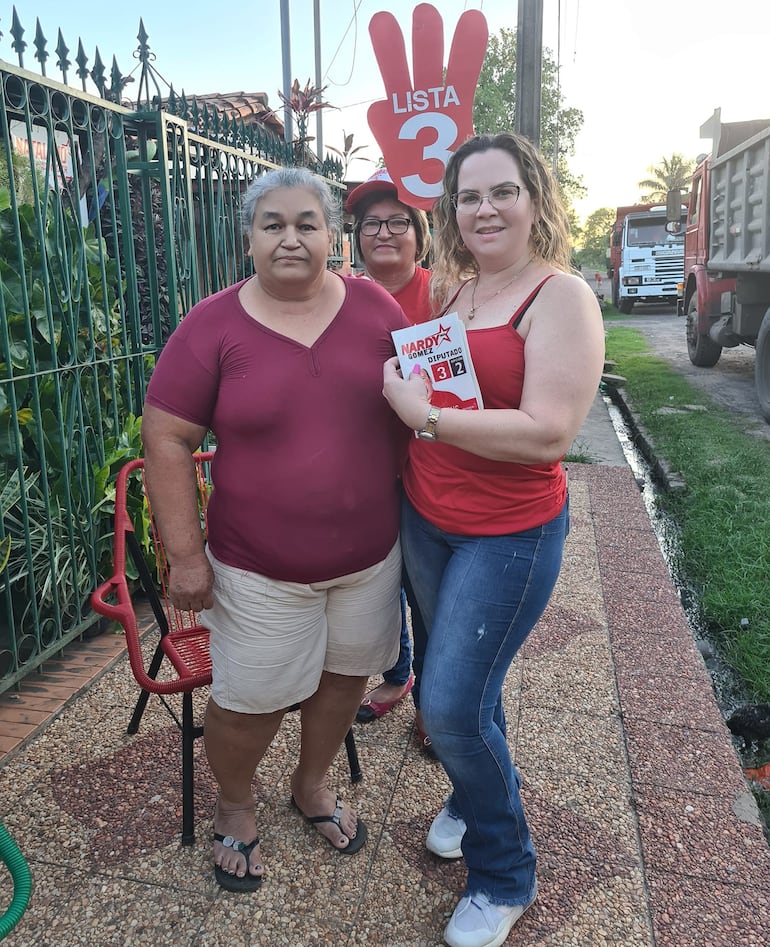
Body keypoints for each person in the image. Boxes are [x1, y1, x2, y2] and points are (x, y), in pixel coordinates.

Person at [141, 167, 410, 893]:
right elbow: (166, 437)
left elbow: (429, 397)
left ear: (333, 237)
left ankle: (311, 783)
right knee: (248, 702)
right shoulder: (212, 325)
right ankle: (236, 802)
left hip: (368, 559)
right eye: (273, 225)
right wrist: (185, 554)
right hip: (257, 569)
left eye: (306, 224)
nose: (290, 238)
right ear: (249, 240)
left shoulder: (376, 307)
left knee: (344, 680)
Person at [382, 133, 605, 947]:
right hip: (427, 517)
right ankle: (470, 797)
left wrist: (425, 417)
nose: (485, 209)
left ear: (534, 199)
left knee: (446, 705)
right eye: (469, 196)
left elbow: (549, 433)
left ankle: (505, 871)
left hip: (508, 534)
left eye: (502, 191)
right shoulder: (456, 290)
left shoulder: (560, 296)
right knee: (472, 689)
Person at [345, 168, 435, 757]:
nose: (383, 233)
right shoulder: (340, 296)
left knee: (427, 590)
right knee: (380, 583)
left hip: (432, 467)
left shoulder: (447, 293)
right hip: (366, 469)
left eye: (397, 221)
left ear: (419, 233)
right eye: (370, 223)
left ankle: (433, 698)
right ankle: (397, 675)